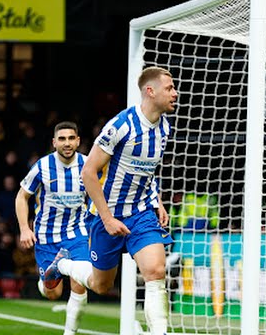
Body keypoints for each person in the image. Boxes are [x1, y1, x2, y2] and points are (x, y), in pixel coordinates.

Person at [45, 66, 177, 335]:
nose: (175, 93)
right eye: (169, 88)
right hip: (105, 215)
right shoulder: (121, 126)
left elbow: (147, 171)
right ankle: (63, 264)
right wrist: (107, 218)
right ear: (150, 91)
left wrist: (157, 201)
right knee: (101, 285)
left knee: (155, 271)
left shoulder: (164, 127)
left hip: (141, 213)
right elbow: (88, 172)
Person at [15, 121, 89, 335]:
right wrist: (24, 229)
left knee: (80, 282)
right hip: (47, 237)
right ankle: (48, 277)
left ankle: (69, 332)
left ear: (78, 141)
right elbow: (22, 197)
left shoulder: (88, 164)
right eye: (62, 139)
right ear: (54, 142)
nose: (67, 143)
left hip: (77, 233)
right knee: (53, 294)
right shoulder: (42, 166)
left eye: (71, 138)